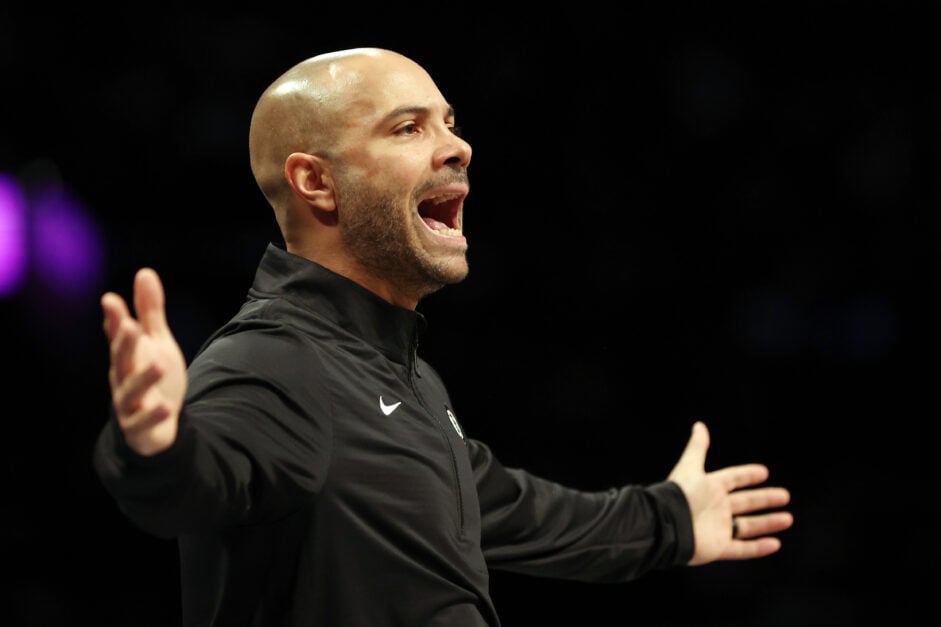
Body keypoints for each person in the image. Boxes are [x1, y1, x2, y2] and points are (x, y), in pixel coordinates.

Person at [93, 47, 793, 626]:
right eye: (408, 128)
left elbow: (516, 509)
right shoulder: (276, 360)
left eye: (449, 123)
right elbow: (197, 481)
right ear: (316, 182)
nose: (457, 145)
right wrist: (155, 443)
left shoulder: (408, 381)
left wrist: (667, 520)